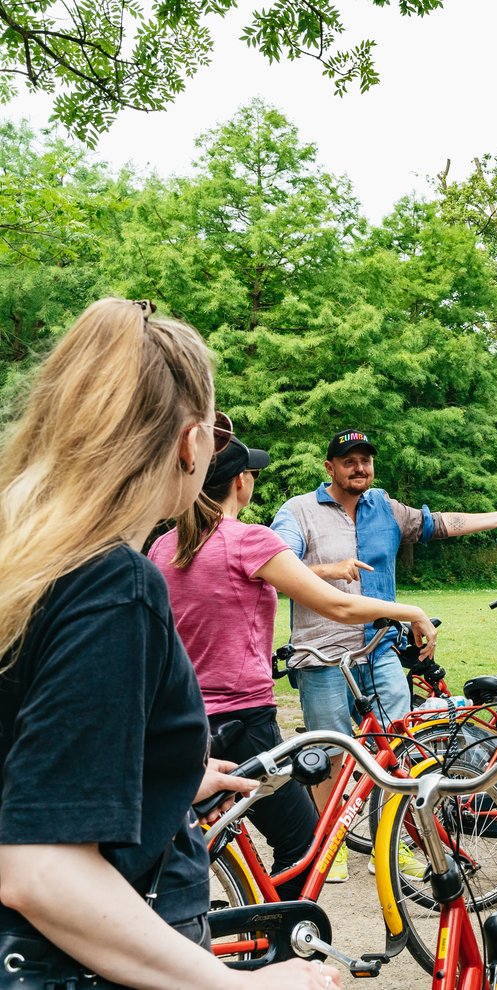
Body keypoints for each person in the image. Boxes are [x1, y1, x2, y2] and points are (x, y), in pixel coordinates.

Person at [0, 298, 338, 989]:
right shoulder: (113, 585)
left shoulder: (27, 562)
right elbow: (41, 867)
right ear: (191, 443)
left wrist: (165, 779)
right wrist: (241, 987)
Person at [148, 436, 438, 893]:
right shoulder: (249, 542)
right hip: (244, 723)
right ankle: (274, 945)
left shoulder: (165, 546)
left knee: (199, 835)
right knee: (300, 842)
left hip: (181, 720)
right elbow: (336, 606)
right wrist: (410, 612)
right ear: (240, 483)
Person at [269, 429, 497, 844]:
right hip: (323, 654)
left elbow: (437, 524)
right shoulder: (299, 511)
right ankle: (330, 845)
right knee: (333, 754)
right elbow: (276, 567)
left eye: (365, 460)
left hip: (380, 648)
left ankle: (392, 840)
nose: (359, 467)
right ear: (329, 467)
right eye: (349, 461)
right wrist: (330, 570)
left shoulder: (383, 506)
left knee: (397, 745)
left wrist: (496, 517)